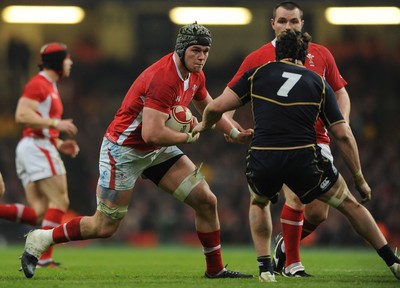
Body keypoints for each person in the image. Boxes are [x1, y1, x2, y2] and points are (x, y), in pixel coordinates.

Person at [20, 23, 254, 279]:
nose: (201, 56)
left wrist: (233, 132)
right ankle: (41, 239)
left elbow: (208, 108)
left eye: (205, 51)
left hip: (157, 150)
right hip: (124, 151)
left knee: (206, 201)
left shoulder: (195, 74)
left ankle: (215, 270)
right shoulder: (165, 78)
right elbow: (150, 133)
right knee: (104, 226)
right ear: (182, 49)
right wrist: (188, 137)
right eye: (195, 50)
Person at [194, 29, 400, 283]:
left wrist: (206, 127)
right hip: (303, 160)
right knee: (350, 205)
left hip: (263, 157)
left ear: (277, 52)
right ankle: (393, 261)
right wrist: (359, 178)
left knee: (259, 202)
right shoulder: (317, 82)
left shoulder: (257, 74)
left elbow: (215, 108)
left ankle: (266, 268)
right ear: (304, 55)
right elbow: (343, 134)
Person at [226, 1, 351, 276]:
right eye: (282, 21)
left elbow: (340, 91)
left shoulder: (321, 54)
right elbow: (227, 103)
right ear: (272, 23)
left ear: (302, 24)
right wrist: (231, 129)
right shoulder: (257, 57)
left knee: (318, 214)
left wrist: (342, 122)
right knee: (294, 198)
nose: (287, 27)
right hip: (278, 142)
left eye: (293, 22)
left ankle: (284, 245)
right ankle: (293, 265)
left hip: (318, 139)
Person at [0, 42, 79, 267]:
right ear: (57, 62)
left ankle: (42, 256)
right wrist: (56, 123)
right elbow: (21, 114)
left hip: (35, 145)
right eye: (67, 59)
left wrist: (58, 142)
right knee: (60, 200)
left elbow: (38, 121)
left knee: (38, 213)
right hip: (36, 146)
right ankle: (42, 257)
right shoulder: (39, 84)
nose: (70, 62)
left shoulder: (50, 86)